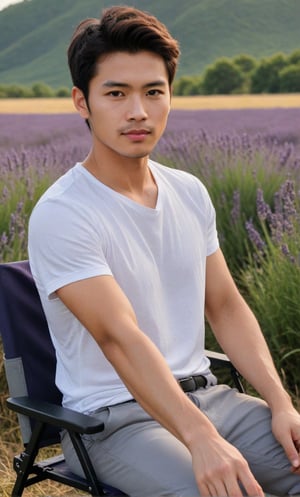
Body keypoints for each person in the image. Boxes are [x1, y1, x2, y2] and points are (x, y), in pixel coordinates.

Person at [28, 5, 300, 497]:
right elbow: (119, 337)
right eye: (116, 93)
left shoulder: (189, 192)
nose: (139, 111)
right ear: (81, 101)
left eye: (153, 92)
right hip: (115, 422)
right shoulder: (64, 212)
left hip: (212, 400)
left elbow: (226, 306)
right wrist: (200, 440)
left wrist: (281, 403)